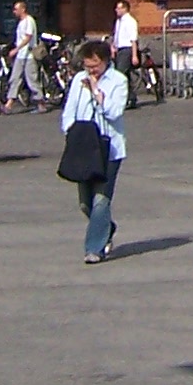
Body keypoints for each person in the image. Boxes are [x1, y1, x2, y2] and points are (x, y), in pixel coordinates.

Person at [61, 39, 129, 263]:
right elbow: (69, 109)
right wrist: (70, 130)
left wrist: (98, 94)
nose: (91, 70)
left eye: (95, 66)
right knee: (85, 203)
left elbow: (115, 112)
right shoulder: (78, 80)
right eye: (87, 65)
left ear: (106, 61)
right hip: (83, 147)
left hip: (109, 149)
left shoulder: (118, 81)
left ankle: (94, 249)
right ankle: (106, 227)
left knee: (101, 200)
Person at [5, 1, 45, 110]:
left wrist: (16, 49)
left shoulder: (29, 21)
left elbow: (28, 37)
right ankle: (9, 104)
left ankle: (40, 102)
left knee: (31, 79)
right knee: (15, 78)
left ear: (23, 9)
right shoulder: (20, 22)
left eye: (16, 9)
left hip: (29, 55)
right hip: (21, 55)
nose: (14, 12)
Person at [110, 0, 142, 107]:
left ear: (125, 9)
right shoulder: (118, 21)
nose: (116, 10)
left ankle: (123, 98)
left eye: (119, 8)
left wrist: (134, 55)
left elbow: (133, 39)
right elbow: (116, 35)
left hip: (127, 49)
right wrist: (113, 47)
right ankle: (131, 98)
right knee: (125, 76)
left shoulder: (130, 21)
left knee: (120, 74)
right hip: (120, 49)